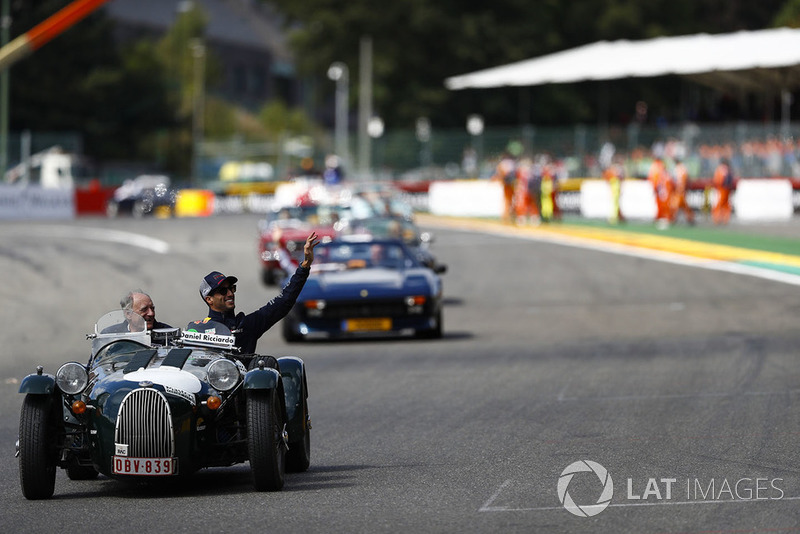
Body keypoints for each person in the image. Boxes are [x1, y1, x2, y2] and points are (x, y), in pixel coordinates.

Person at [194, 232, 320, 354]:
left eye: (231, 288)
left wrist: (305, 266)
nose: (230, 294)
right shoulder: (198, 331)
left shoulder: (246, 324)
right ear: (209, 299)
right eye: (223, 291)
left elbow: (284, 301)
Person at [103, 289, 171, 333]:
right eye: (144, 309)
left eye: (152, 308)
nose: (151, 313)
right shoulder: (110, 334)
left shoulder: (167, 333)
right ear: (128, 314)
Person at [670, 157, 695, 225]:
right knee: (684, 206)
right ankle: (690, 218)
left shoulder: (679, 168)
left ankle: (673, 218)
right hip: (681, 190)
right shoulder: (682, 168)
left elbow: (680, 180)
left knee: (676, 205)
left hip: (680, 190)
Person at [712, 158, 734, 225]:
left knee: (722, 204)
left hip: (722, 189)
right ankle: (721, 218)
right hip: (723, 189)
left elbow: (717, 180)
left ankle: (720, 218)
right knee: (723, 204)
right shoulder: (725, 169)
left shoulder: (721, 169)